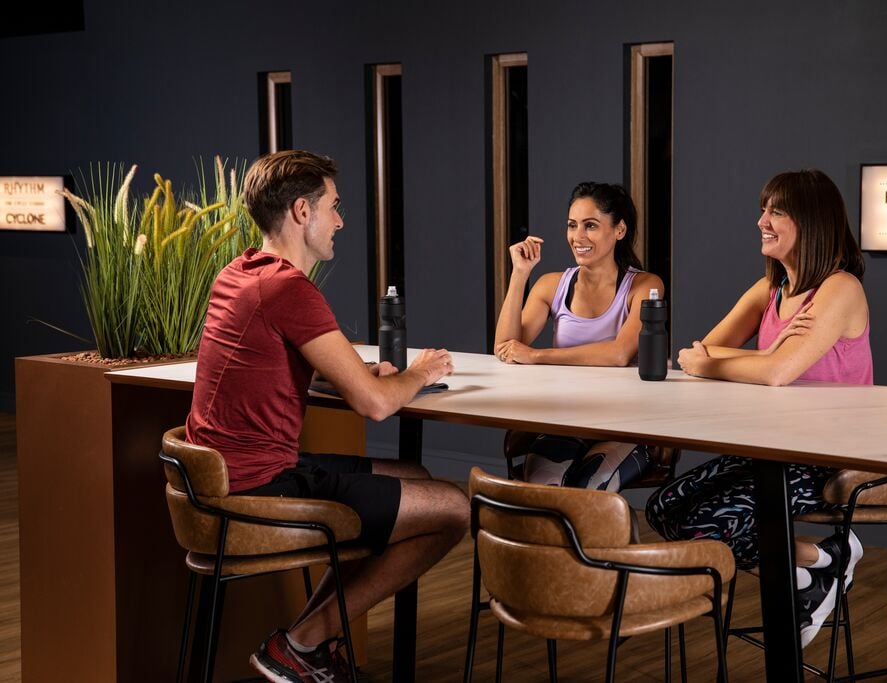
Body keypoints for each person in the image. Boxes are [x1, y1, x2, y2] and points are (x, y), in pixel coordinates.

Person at [185, 150, 469, 682]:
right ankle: (302, 642)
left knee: (417, 479)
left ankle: (306, 644)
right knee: (453, 510)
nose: (340, 221)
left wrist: (349, 371)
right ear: (301, 212)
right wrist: (423, 370)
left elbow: (275, 359)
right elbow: (377, 405)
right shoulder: (290, 287)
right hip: (259, 487)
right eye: (334, 207)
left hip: (230, 475)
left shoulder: (240, 272)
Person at [645, 168, 871, 647]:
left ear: (810, 222)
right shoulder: (769, 290)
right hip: (770, 448)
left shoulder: (839, 288)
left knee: (707, 525)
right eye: (763, 209)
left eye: (777, 211)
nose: (761, 221)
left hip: (827, 455)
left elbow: (770, 373)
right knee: (665, 509)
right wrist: (767, 357)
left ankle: (818, 572)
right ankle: (821, 564)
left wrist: (761, 364)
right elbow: (694, 355)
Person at [493, 182, 664, 490]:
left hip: (625, 427)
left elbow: (618, 354)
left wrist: (536, 355)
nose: (578, 237)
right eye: (572, 225)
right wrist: (520, 274)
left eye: (591, 226)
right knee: (544, 489)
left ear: (619, 230)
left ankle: (593, 540)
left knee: (588, 484)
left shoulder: (645, 287)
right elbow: (505, 346)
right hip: (567, 422)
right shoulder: (550, 284)